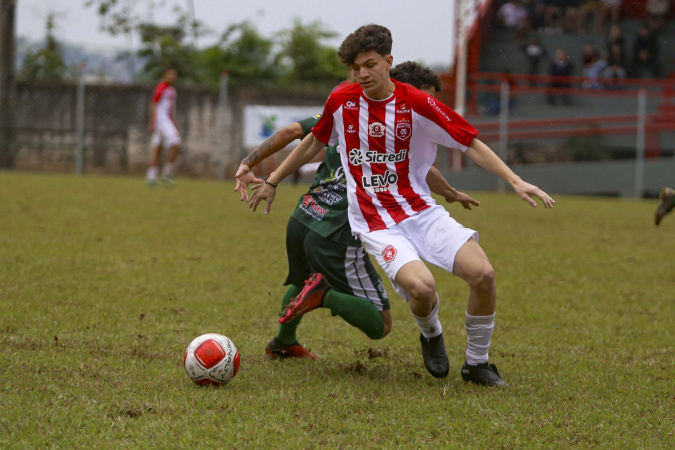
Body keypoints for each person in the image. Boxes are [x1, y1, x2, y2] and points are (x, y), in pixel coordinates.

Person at [250, 24, 555, 386]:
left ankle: (477, 364)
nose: (362, 74)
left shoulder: (417, 102)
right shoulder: (343, 101)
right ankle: (431, 333)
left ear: (388, 61)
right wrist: (272, 180)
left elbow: (469, 142)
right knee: (423, 290)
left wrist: (515, 180)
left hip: (421, 212)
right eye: (355, 68)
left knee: (484, 275)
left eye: (370, 64)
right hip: (375, 223)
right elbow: (312, 143)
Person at [236, 63, 480, 359]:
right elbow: (420, 169)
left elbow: (291, 130)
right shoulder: (393, 121)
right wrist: (450, 193)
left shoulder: (345, 111)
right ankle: (324, 295)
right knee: (381, 324)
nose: (427, 108)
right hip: (341, 226)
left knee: (305, 280)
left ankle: (283, 342)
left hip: (306, 214)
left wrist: (249, 163)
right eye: (423, 98)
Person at [146, 68, 181, 185]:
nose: (173, 76)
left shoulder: (172, 90)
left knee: (158, 148)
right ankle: (166, 173)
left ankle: (151, 177)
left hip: (167, 121)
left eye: (174, 74)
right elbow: (154, 104)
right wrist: (152, 122)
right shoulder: (161, 88)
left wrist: (173, 121)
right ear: (164, 75)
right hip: (161, 121)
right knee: (176, 144)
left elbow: (169, 108)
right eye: (170, 74)